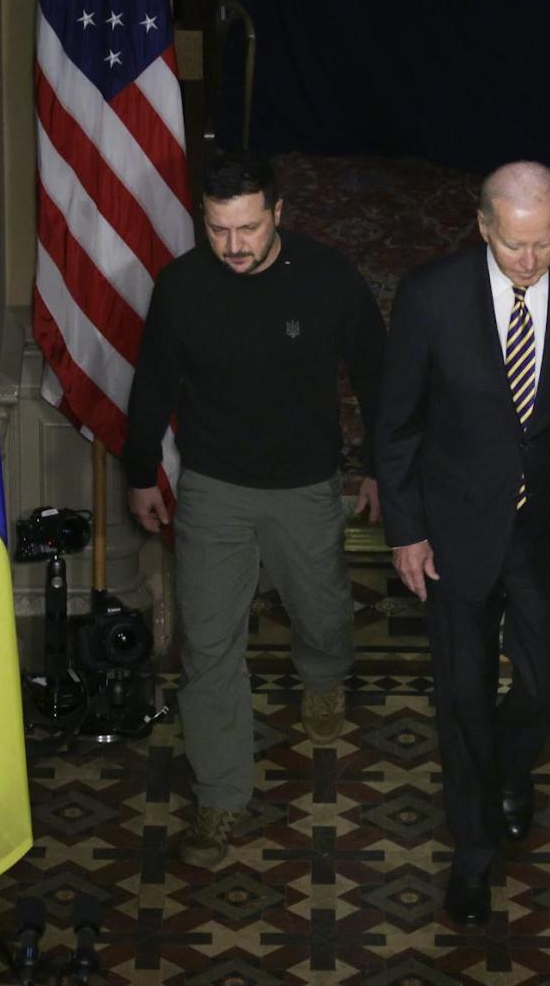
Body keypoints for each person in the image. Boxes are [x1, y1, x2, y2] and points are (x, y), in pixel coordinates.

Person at [376, 160, 550, 925]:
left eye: (545, 242)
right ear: (484, 226)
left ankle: (506, 766)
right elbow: (396, 425)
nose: (529, 260)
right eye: (513, 245)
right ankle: (474, 852)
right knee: (460, 695)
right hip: (454, 528)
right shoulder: (430, 296)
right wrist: (407, 532)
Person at [124, 151, 385, 867]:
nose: (233, 246)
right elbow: (152, 383)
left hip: (306, 485)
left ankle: (325, 675)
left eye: (247, 229)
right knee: (207, 646)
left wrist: (383, 471)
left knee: (325, 610)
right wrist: (142, 470)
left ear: (278, 213)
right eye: (217, 230)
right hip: (214, 487)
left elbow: (378, 378)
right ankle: (220, 796)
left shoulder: (330, 279)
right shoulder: (180, 288)